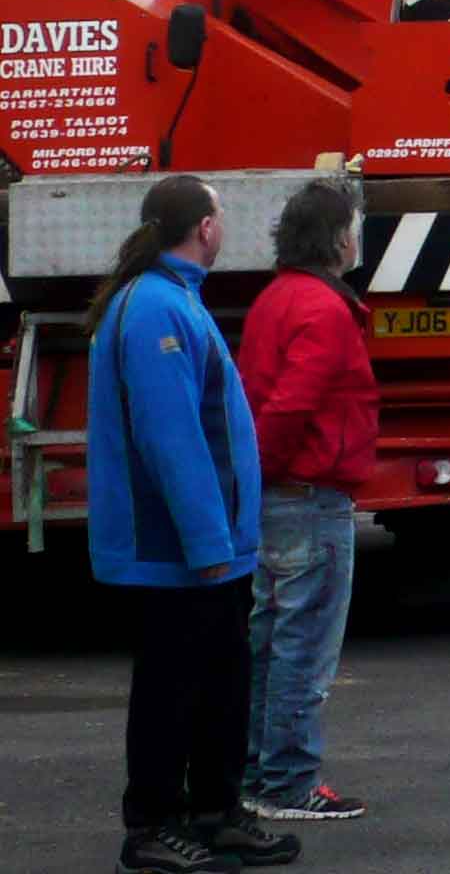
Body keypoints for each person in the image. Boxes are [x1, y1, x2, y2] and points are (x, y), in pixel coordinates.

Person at [87, 174, 297, 873]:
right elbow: (171, 438)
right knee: (172, 690)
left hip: (210, 550)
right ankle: (150, 827)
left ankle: (215, 815)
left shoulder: (174, 299)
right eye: (221, 215)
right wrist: (208, 543)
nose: (224, 225)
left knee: (218, 686)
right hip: (178, 549)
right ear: (205, 227)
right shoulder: (152, 308)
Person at [240, 180, 378, 824]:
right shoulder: (325, 309)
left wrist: (256, 479)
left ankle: (257, 772)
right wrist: (271, 470)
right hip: (310, 495)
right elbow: (293, 402)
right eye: (352, 226)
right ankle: (288, 782)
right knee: (303, 648)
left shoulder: (275, 298)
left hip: (279, 496)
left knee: (270, 641)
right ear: (338, 238)